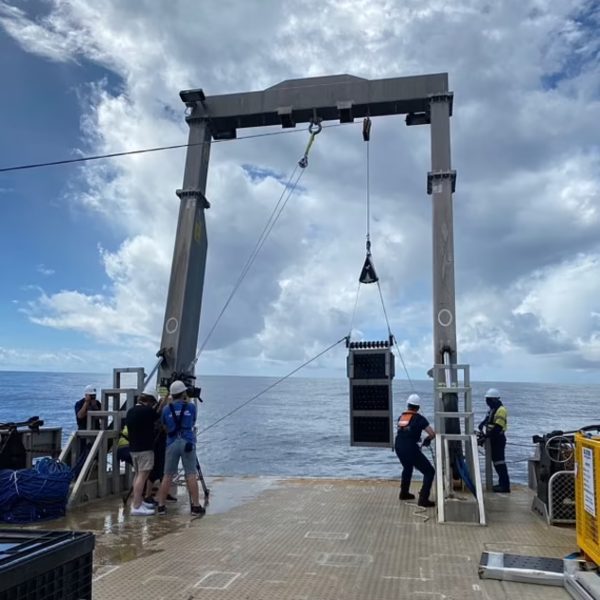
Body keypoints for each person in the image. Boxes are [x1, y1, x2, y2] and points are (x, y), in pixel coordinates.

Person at [156, 380, 204, 516]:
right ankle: (195, 506)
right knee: (190, 474)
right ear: (183, 393)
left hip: (171, 442)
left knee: (167, 475)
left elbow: (164, 425)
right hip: (187, 442)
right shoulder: (191, 407)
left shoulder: (166, 409)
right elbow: (193, 421)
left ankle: (161, 506)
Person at [395, 393, 436, 508]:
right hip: (410, 448)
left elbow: (405, 432)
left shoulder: (401, 417)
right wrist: (428, 439)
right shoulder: (420, 419)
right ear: (418, 407)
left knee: (407, 468)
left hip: (398, 447)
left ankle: (404, 493)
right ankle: (423, 499)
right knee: (429, 472)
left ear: (408, 405)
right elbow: (432, 434)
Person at [126, 392, 158, 516]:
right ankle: (137, 506)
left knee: (137, 475)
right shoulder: (147, 411)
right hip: (145, 448)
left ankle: (137, 500)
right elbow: (157, 417)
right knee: (143, 476)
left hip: (133, 448)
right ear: (149, 401)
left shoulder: (131, 411)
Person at [478, 388, 510, 493]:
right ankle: (502, 484)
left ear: (494, 400)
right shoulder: (492, 409)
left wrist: (486, 437)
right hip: (493, 438)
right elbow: (487, 420)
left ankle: (504, 486)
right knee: (496, 462)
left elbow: (498, 427)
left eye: (489, 400)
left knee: (499, 462)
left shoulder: (501, 410)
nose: (487, 402)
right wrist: (481, 426)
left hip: (498, 439)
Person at [74, 385, 101, 456]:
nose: (92, 398)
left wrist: (95, 407)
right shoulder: (79, 403)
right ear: (86, 395)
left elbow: (101, 416)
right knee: (82, 454)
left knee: (96, 455)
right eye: (91, 396)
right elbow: (80, 416)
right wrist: (86, 403)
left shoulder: (97, 403)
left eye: (93, 396)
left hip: (96, 432)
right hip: (83, 433)